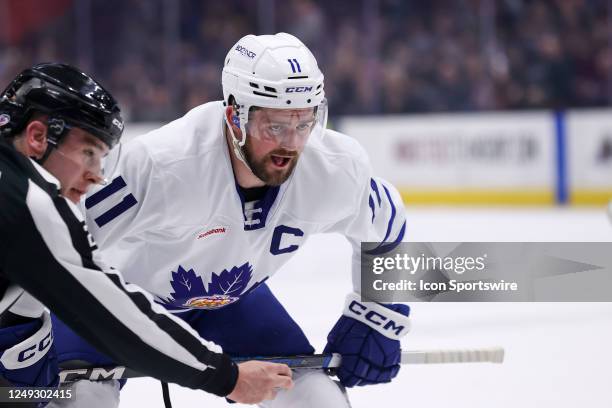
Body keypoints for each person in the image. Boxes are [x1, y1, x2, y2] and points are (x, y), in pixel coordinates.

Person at [52, 33, 410, 407]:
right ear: (233, 116)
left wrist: (381, 311)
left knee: (318, 398)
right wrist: (17, 332)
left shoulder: (334, 167)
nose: (290, 144)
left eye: (303, 123)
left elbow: (388, 228)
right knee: (81, 400)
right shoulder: (160, 165)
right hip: (115, 306)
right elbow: (47, 239)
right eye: (273, 126)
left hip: (229, 303)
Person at [0, 63, 293, 406]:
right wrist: (227, 378)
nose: (97, 176)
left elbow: (375, 238)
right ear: (37, 137)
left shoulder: (336, 167)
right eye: (89, 153)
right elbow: (112, 316)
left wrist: (373, 306)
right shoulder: (34, 203)